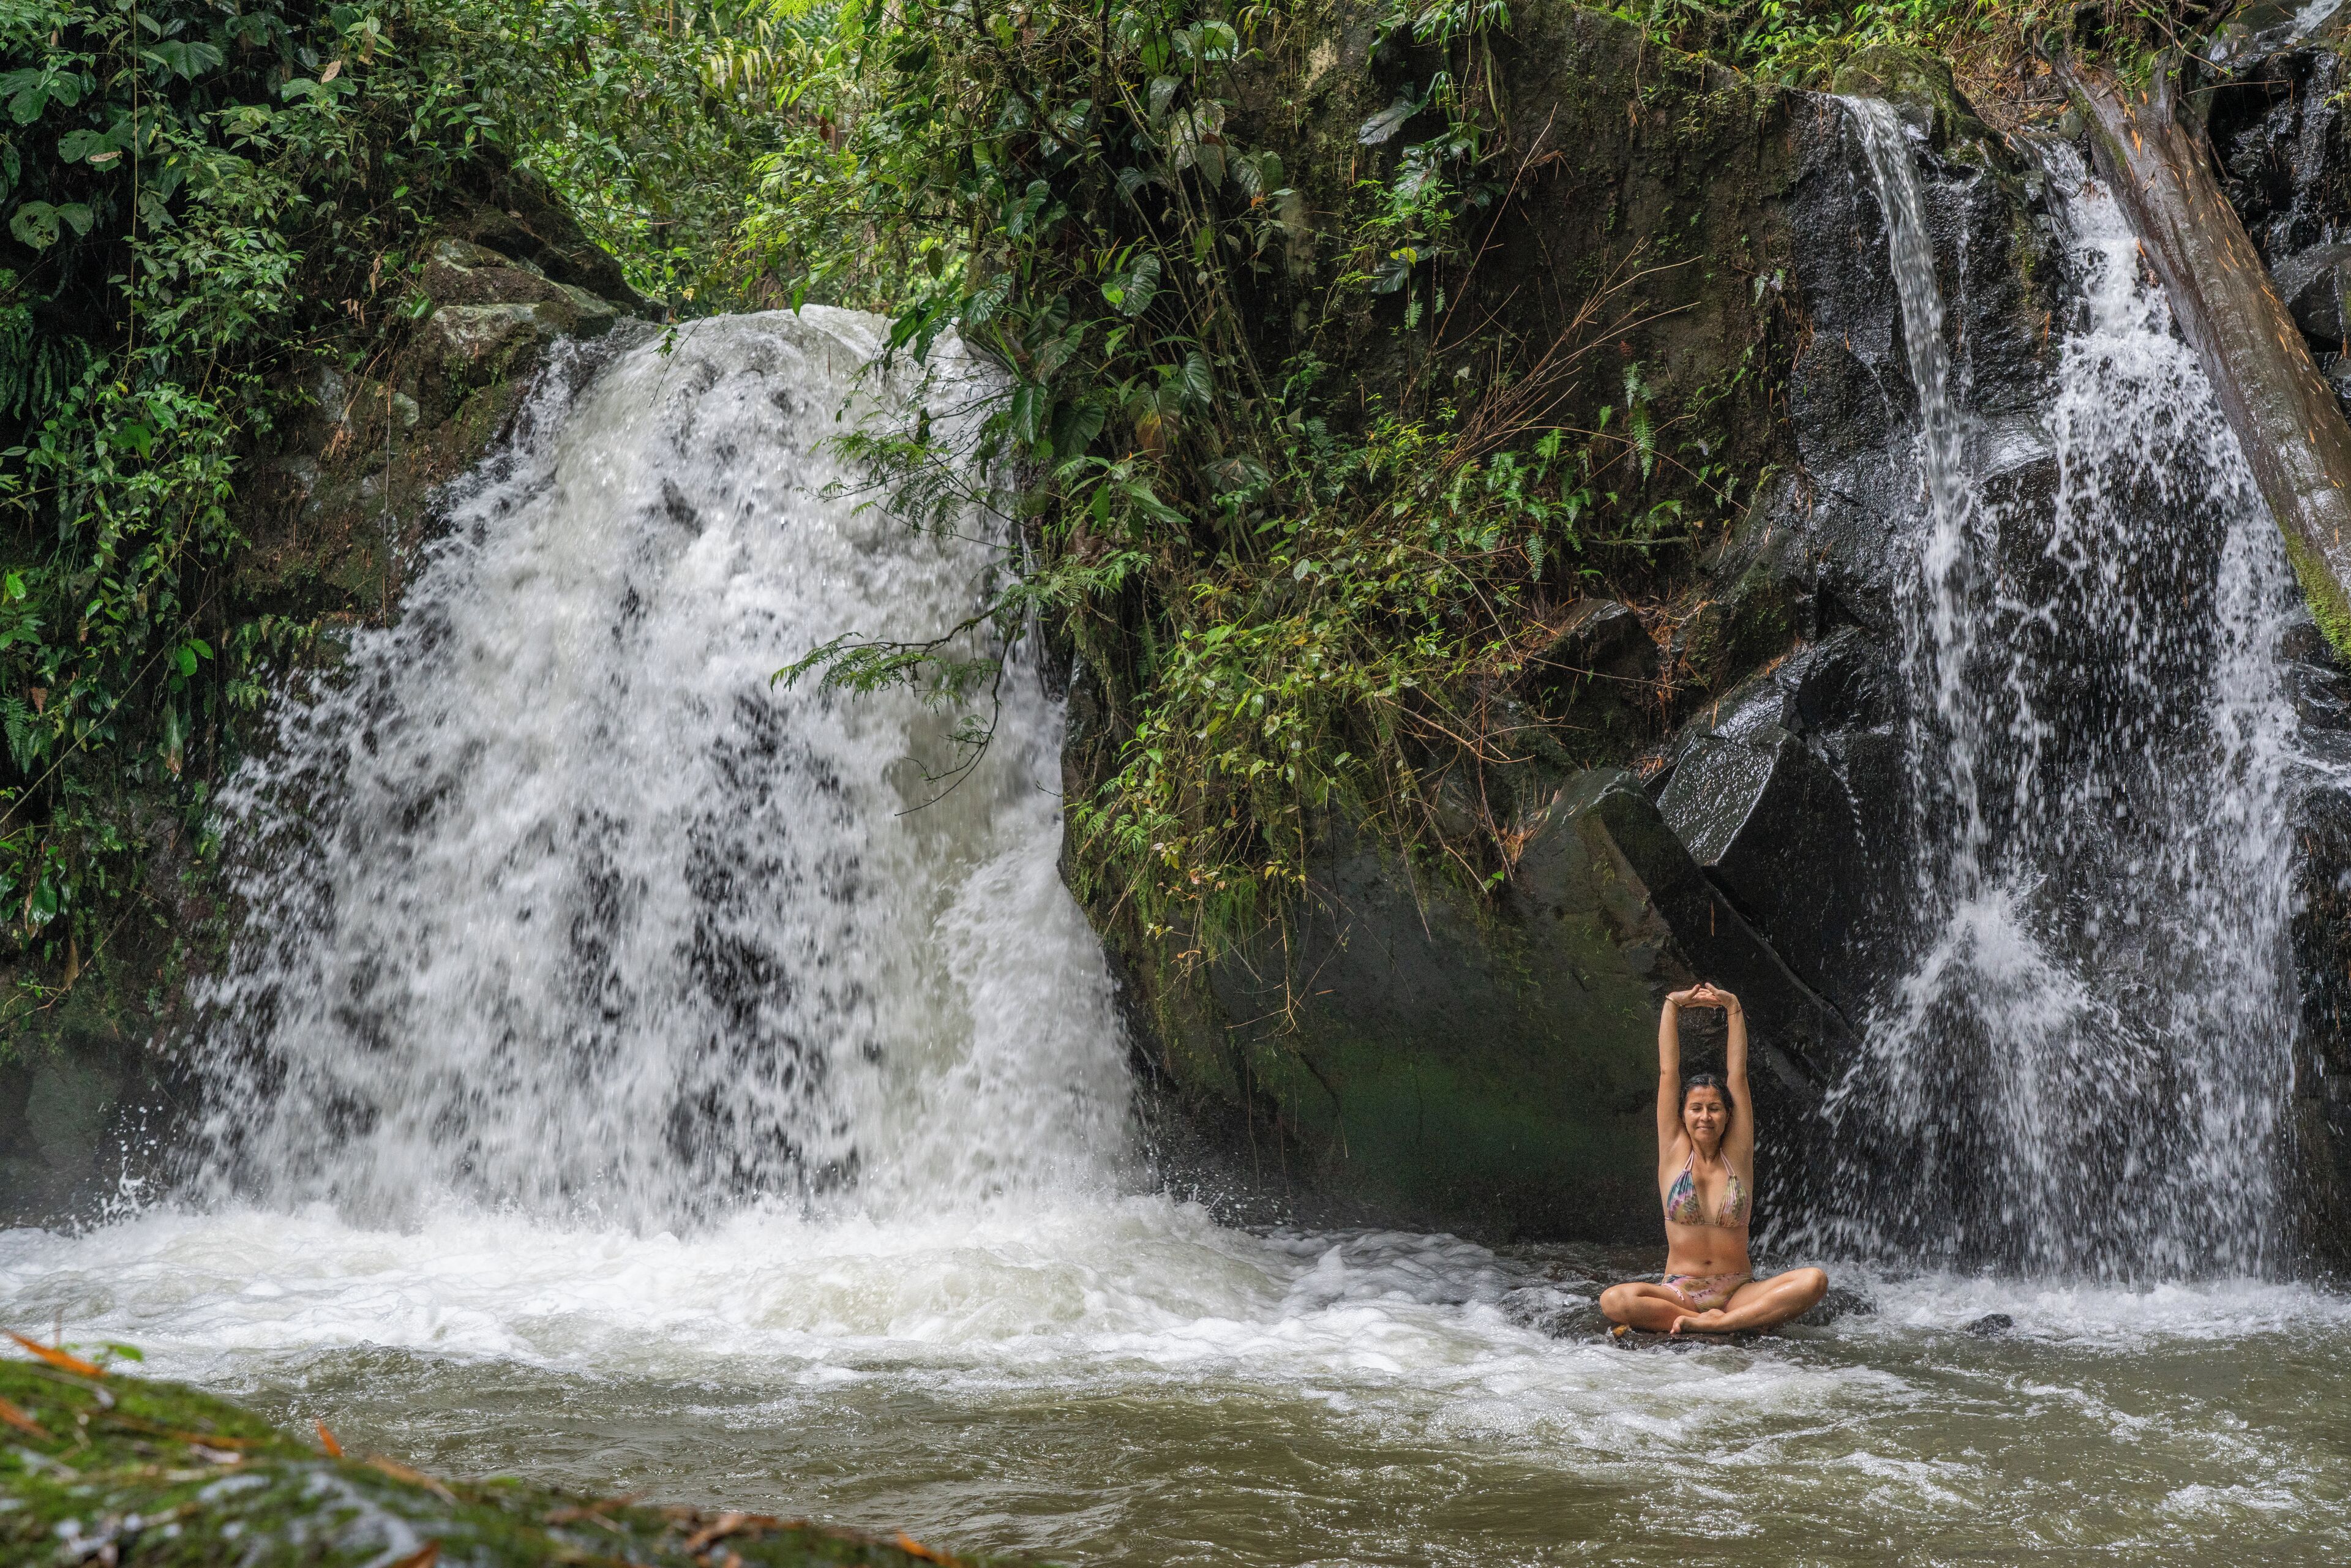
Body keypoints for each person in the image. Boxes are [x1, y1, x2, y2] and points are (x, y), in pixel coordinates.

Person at [1599, 983, 1828, 1335]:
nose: (1705, 1116)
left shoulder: (1737, 1153)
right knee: (1615, 1300)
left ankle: (1718, 1325)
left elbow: (1737, 1076)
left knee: (1814, 1280)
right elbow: (1668, 1073)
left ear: (1726, 1115)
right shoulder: (1674, 1150)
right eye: (1696, 1108)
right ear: (1684, 1115)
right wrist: (1672, 1006)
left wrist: (1734, 1009)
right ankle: (1719, 1323)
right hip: (1680, 1292)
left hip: (1739, 1291)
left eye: (1714, 1108)